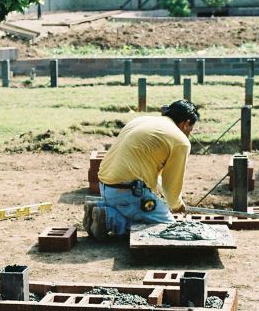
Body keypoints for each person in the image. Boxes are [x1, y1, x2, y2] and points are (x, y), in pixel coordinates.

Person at [84, 99, 199, 241]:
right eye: (190, 130)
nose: (188, 135)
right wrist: (177, 206)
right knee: (166, 227)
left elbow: (149, 171)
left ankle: (102, 209)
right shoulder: (180, 141)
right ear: (186, 123)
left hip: (105, 187)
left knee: (141, 209)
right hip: (127, 192)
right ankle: (110, 218)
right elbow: (171, 187)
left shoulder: (143, 120)